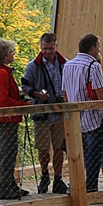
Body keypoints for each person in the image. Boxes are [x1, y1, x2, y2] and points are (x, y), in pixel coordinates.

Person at [63, 34, 103, 192]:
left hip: (75, 121)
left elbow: (65, 94)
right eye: (98, 46)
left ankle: (76, 186)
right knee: (94, 159)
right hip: (93, 119)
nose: (99, 49)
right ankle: (90, 190)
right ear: (93, 47)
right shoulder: (93, 66)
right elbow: (101, 94)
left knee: (78, 156)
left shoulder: (67, 66)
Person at [22, 33, 69, 194]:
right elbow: (25, 86)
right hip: (41, 113)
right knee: (42, 148)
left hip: (59, 112)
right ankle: (44, 175)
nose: (47, 52)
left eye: (50, 49)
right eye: (44, 49)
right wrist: (36, 94)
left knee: (59, 148)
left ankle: (58, 178)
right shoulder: (33, 66)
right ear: (40, 47)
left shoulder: (64, 64)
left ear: (56, 46)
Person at [0, 39, 31, 200]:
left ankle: (10, 185)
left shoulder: (0, 71)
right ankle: (4, 188)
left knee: (10, 152)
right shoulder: (0, 73)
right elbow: (2, 99)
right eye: (11, 52)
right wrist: (21, 104)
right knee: (7, 154)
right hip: (5, 118)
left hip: (7, 118)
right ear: (4, 56)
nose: (13, 54)